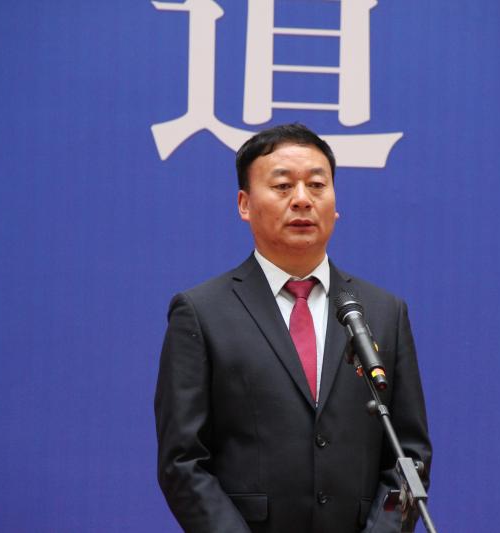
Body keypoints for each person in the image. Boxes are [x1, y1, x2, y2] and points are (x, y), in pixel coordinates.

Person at [155, 123, 432, 532]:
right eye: (283, 186)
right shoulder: (201, 312)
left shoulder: (383, 311)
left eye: (317, 185)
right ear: (244, 204)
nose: (302, 199)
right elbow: (183, 461)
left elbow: (408, 453)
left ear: (335, 204)